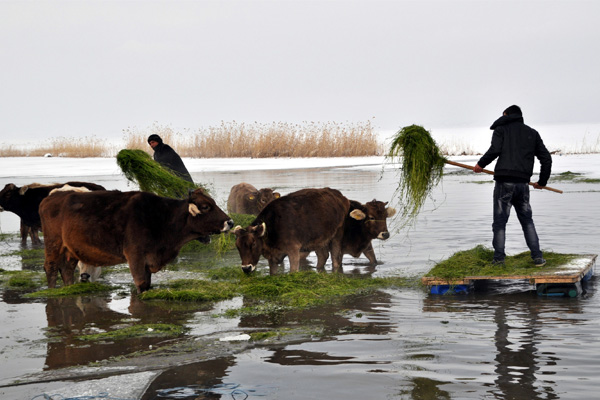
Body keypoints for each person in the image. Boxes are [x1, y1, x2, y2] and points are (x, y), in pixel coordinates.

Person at [473, 105, 552, 267]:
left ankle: (499, 259)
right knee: (527, 221)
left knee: (500, 222)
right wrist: (542, 182)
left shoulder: (501, 129)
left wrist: (480, 164)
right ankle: (537, 257)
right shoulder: (532, 133)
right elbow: (546, 159)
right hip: (523, 184)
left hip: (504, 183)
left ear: (507, 115)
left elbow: (495, 149)